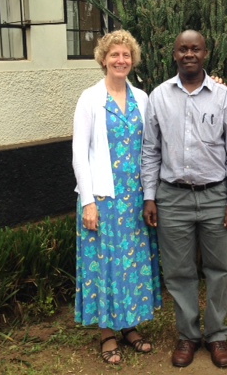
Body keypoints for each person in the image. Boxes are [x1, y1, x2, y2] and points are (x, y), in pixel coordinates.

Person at [142, 30, 227, 368]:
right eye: (183, 49)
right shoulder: (158, 96)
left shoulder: (225, 98)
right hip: (171, 197)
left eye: (196, 49)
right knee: (178, 272)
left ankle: (217, 336)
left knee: (219, 269)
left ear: (206, 53)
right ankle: (188, 335)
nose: (189, 54)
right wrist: (149, 197)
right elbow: (150, 151)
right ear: (174, 54)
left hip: (216, 195)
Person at [71, 29, 163, 365]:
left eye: (126, 55)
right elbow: (79, 152)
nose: (121, 60)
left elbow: (151, 146)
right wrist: (88, 201)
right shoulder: (90, 99)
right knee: (106, 265)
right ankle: (107, 332)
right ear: (104, 59)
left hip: (135, 198)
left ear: (132, 60)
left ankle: (130, 327)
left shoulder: (142, 98)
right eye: (115, 55)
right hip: (104, 198)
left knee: (133, 263)